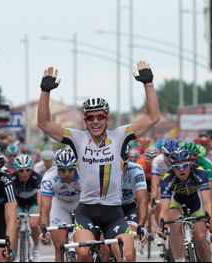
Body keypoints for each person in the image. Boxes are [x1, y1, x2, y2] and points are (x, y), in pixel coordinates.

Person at [37, 60, 160, 261]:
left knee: (127, 255)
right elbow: (43, 123)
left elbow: (153, 117)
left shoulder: (120, 136)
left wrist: (148, 84)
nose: (95, 122)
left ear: (106, 118)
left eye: (99, 117)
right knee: (83, 253)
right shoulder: (77, 138)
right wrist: (45, 92)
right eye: (90, 118)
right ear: (84, 120)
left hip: (114, 212)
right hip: (87, 212)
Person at [158, 149, 212, 262]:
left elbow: (207, 201)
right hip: (177, 203)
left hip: (196, 203)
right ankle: (179, 260)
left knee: (201, 237)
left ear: (190, 164)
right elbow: (164, 209)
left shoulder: (199, 171)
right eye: (177, 167)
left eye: (185, 165)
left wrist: (209, 219)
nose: (181, 169)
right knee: (175, 225)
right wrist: (162, 226)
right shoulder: (168, 178)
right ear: (172, 167)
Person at [39, 148, 81, 262]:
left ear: (76, 166)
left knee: (85, 247)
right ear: (57, 167)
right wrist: (44, 230)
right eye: (62, 170)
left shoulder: (85, 174)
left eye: (70, 169)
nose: (66, 173)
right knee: (60, 247)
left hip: (81, 204)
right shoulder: (49, 177)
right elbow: (45, 208)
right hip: (60, 205)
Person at [11, 153, 42, 261]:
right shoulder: (12, 178)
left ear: (31, 169)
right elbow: (11, 199)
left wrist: (40, 211)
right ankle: (15, 254)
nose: (24, 173)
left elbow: (40, 197)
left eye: (27, 170)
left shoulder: (36, 177)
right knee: (14, 225)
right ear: (16, 170)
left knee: (34, 224)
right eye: (21, 170)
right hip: (18, 202)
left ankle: (36, 249)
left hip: (32, 202)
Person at [121, 146, 149, 260]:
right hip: (109, 209)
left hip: (129, 206)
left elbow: (142, 200)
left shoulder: (136, 169)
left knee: (128, 239)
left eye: (124, 164)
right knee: (106, 249)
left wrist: (141, 226)